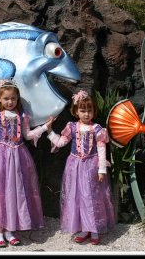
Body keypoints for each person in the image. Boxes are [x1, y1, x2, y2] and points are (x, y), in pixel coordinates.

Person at [0, 78, 52, 248]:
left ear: (17, 99)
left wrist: (44, 127)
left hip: (18, 156)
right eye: (6, 99)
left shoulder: (22, 116)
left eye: (13, 98)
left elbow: (27, 135)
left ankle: (10, 229)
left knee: (14, 191)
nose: (10, 102)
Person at [45, 90, 115, 245]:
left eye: (89, 110)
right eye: (83, 110)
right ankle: (84, 227)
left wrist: (101, 169)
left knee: (92, 196)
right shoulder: (71, 127)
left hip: (91, 166)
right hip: (75, 167)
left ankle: (94, 228)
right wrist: (49, 131)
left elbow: (102, 149)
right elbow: (62, 142)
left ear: (93, 112)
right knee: (78, 197)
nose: (86, 114)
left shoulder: (97, 129)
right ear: (76, 111)